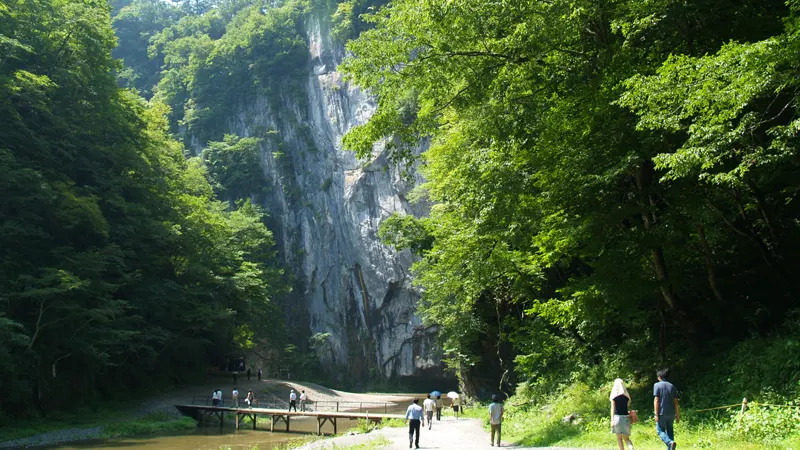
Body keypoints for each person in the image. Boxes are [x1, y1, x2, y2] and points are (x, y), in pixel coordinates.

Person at [654, 368, 680, 450]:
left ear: (659, 377)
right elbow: (676, 402)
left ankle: (669, 442)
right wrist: (677, 415)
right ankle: (671, 445)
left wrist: (656, 414)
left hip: (661, 413)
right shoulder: (672, 386)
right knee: (670, 431)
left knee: (659, 430)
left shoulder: (657, 385)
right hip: (671, 413)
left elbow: (657, 400)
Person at [610, 379, 635, 450]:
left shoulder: (614, 397)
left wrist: (612, 420)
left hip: (617, 418)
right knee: (627, 439)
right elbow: (628, 408)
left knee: (619, 439)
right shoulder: (627, 397)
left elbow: (612, 409)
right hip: (626, 418)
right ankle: (631, 448)